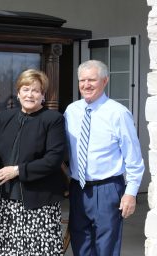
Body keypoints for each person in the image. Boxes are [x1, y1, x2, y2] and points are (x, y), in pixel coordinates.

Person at [0, 69, 66, 255]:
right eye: (26, 89)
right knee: (10, 250)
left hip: (40, 200)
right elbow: (0, 159)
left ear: (43, 95)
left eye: (36, 91)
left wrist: (18, 170)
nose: (30, 94)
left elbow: (53, 159)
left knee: (39, 251)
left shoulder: (53, 119)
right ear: (18, 93)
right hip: (8, 199)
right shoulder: (6, 117)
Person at [64, 60, 145, 255]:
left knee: (106, 247)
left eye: (92, 79)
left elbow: (134, 158)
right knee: (80, 244)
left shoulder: (118, 113)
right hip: (78, 188)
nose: (86, 85)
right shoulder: (71, 111)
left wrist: (131, 193)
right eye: (82, 80)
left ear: (105, 81)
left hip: (108, 189)